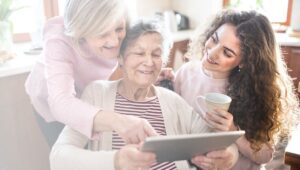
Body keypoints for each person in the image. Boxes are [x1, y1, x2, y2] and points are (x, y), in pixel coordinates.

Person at [50, 18, 240, 170]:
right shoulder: (97, 93)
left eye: (156, 54)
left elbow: (214, 142)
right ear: (121, 59)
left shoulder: (173, 101)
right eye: (139, 53)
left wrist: (230, 156)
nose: (149, 62)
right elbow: (58, 157)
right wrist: (116, 161)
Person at [173, 10, 299, 169]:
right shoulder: (186, 72)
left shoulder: (256, 92)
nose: (212, 52)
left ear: (244, 62)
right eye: (214, 39)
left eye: (227, 53)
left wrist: (233, 131)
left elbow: (264, 156)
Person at [25, 0, 157, 146]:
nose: (114, 42)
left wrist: (151, 72)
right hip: (51, 98)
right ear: (81, 32)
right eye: (102, 33)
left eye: (118, 29)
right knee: (67, 154)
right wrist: (119, 121)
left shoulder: (123, 20)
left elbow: (131, 56)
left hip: (86, 93)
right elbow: (61, 103)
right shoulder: (59, 39)